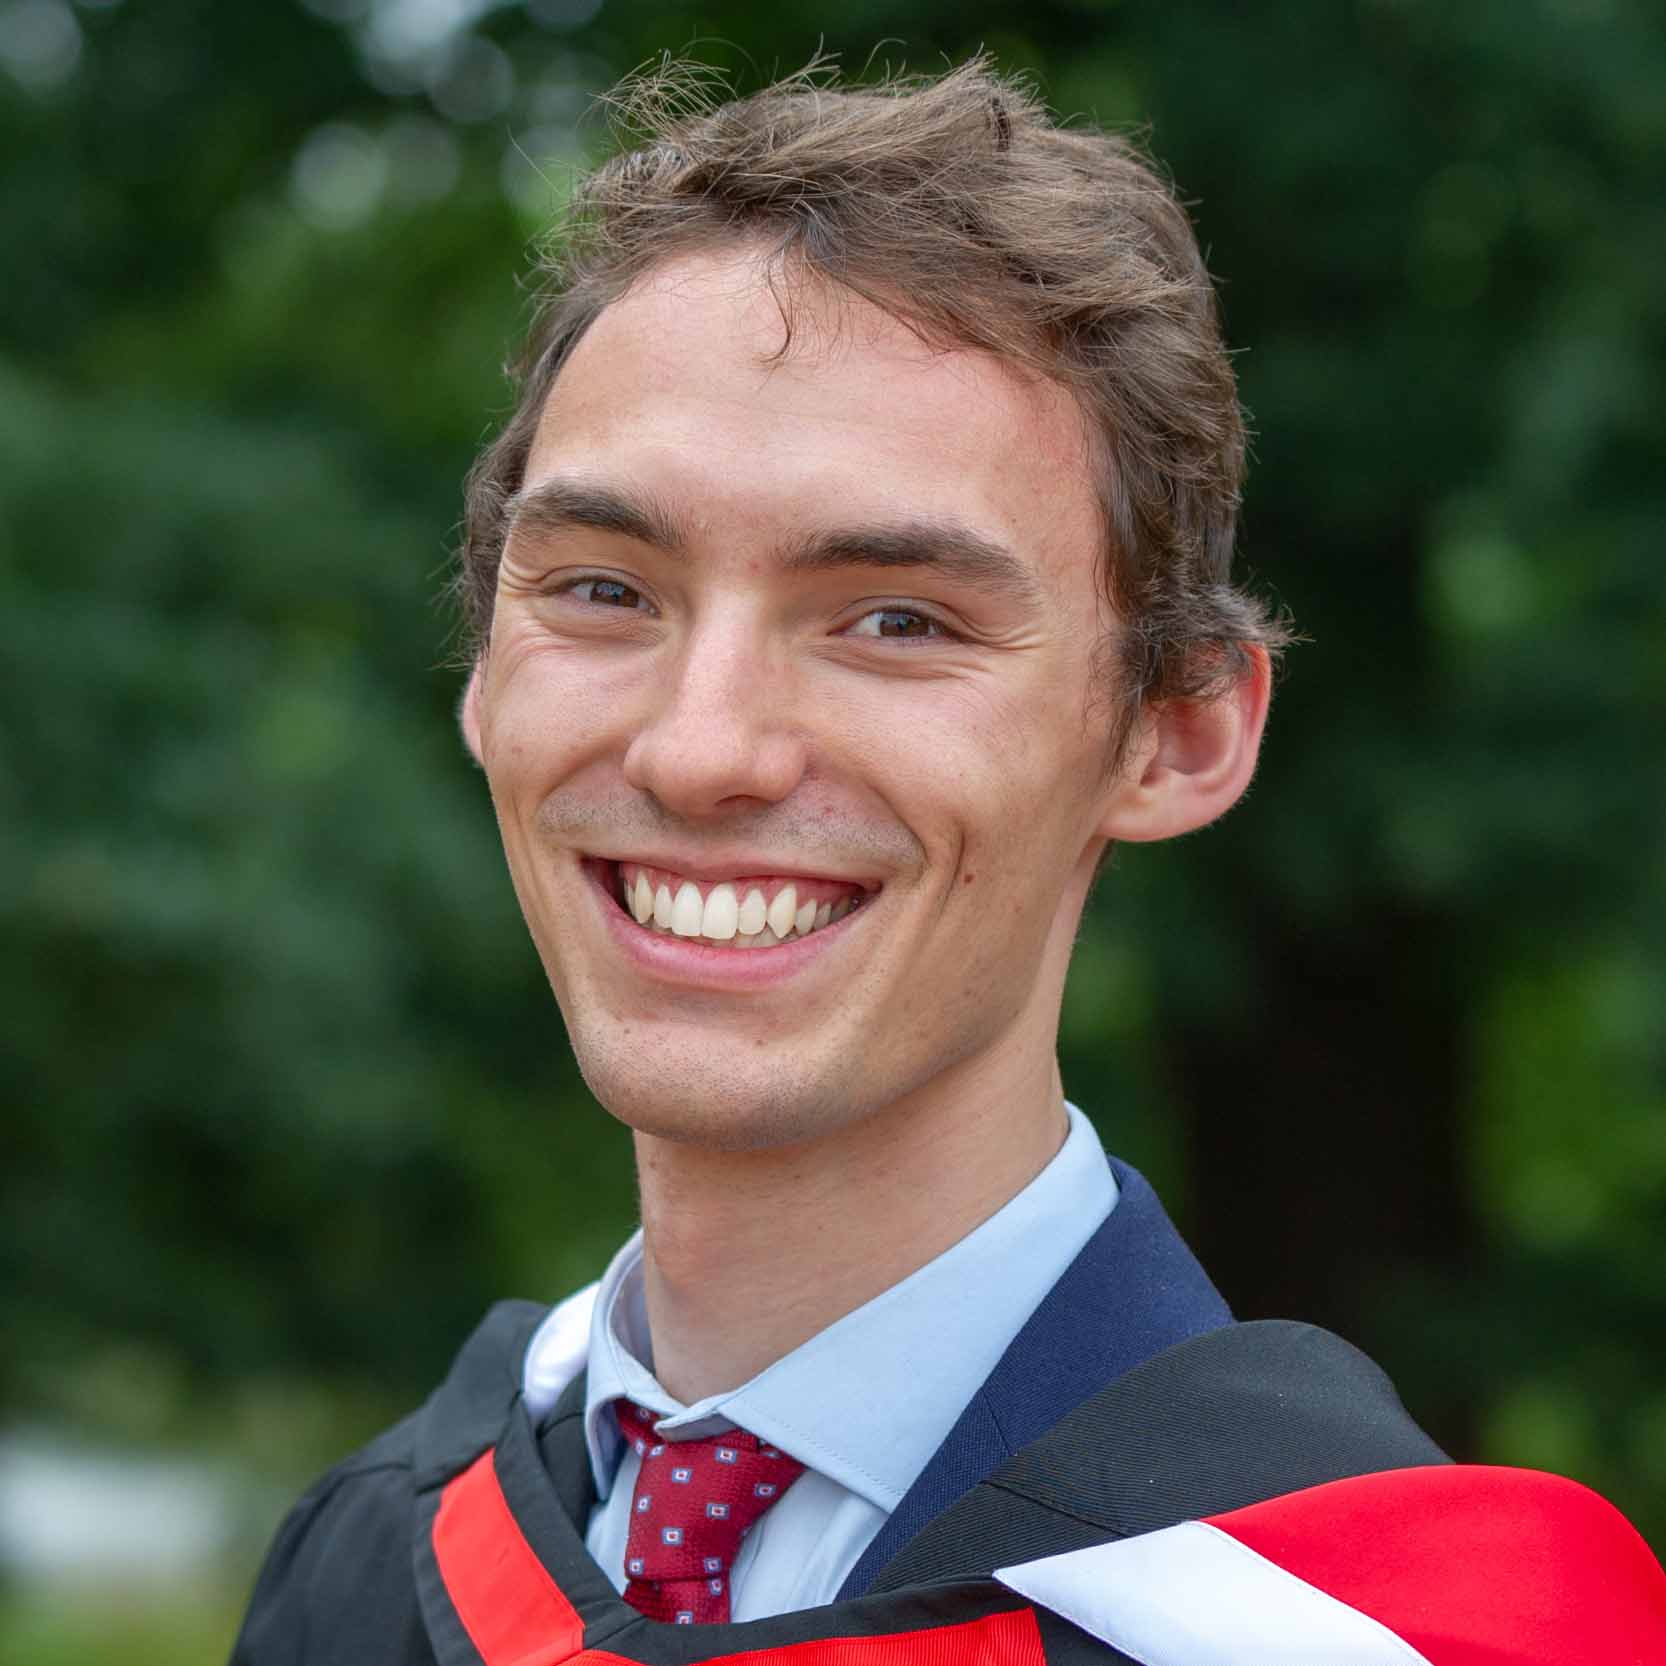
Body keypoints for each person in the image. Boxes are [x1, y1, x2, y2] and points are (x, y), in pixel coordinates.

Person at [229, 58, 1666, 1666]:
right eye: (604, 589)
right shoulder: (368, 1571)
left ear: (1175, 732)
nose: (703, 748)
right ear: (485, 676)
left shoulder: (1363, 1634)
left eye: (896, 620)